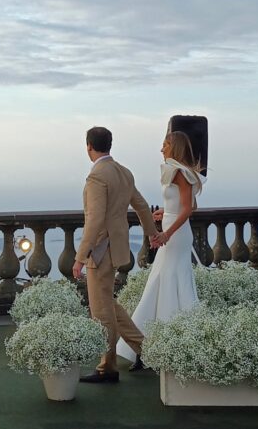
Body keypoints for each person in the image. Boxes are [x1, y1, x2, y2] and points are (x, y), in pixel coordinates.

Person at [73, 127, 158, 383]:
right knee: (107, 303)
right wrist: (152, 234)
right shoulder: (123, 172)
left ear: (89, 146)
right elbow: (141, 206)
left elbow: (95, 219)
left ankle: (107, 368)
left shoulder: (97, 176)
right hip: (117, 248)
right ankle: (145, 350)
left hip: (100, 251)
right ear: (109, 144)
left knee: (101, 311)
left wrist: (80, 257)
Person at [117, 131, 203, 366]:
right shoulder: (177, 171)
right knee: (160, 280)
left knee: (170, 279)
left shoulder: (180, 173)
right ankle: (148, 344)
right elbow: (184, 205)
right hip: (172, 228)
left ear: (174, 147)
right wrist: (166, 212)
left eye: (165, 145)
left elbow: (189, 208)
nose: (161, 149)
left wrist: (167, 232)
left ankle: (162, 342)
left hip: (177, 235)